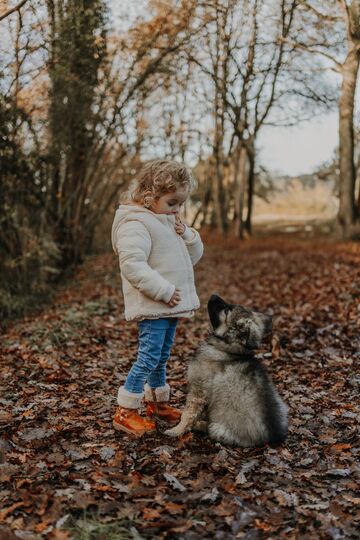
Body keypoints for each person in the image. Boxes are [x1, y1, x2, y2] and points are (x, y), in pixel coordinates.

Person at [111, 159, 203, 436]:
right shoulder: (135, 223)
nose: (177, 210)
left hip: (169, 307)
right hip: (155, 305)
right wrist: (162, 290)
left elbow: (191, 260)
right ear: (149, 196)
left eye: (180, 204)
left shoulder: (164, 221)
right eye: (172, 202)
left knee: (161, 357)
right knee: (149, 357)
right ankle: (126, 410)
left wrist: (187, 235)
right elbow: (132, 264)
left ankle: (157, 403)